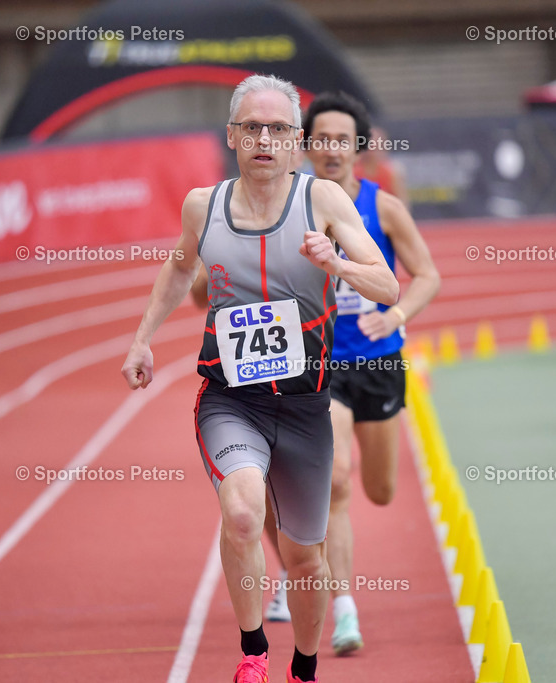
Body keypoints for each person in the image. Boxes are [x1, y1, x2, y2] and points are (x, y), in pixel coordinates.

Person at [121, 74, 398, 683]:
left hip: (304, 407)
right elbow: (175, 272)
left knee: (304, 560)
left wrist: (338, 262)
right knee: (243, 513)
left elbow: (389, 285)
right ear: (232, 137)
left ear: (296, 141)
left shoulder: (323, 201)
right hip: (230, 400)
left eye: (277, 129)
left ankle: (304, 666)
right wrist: (143, 338)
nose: (264, 139)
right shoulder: (204, 205)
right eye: (252, 128)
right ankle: (252, 654)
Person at [260, 91, 440, 655]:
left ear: (358, 147)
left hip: (380, 365)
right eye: (322, 139)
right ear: (307, 145)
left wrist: (396, 314)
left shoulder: (383, 208)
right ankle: (344, 610)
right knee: (335, 483)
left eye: (343, 139)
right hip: (322, 366)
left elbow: (428, 275)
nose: (332, 149)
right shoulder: (287, 204)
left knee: (380, 491)